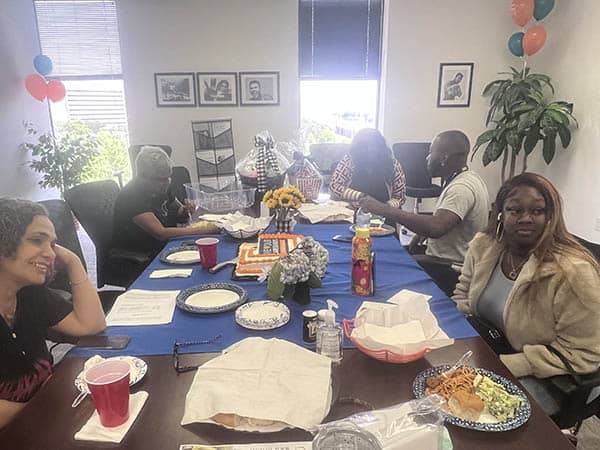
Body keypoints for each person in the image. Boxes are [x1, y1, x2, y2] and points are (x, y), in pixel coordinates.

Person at [453, 173, 600, 415]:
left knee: (468, 412)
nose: (525, 219)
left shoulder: (574, 273)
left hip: (549, 378)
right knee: (437, 386)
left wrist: (507, 364)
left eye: (537, 211)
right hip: (488, 352)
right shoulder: (485, 245)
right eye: (515, 210)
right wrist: (456, 341)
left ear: (551, 216)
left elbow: (584, 353)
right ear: (500, 213)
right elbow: (463, 295)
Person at [0, 199, 106, 428]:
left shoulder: (29, 293)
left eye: (53, 244)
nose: (50, 253)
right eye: (37, 240)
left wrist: (74, 261)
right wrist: (46, 408)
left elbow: (91, 325)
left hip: (47, 414)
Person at [359, 130, 489, 293]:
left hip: (450, 269)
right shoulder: (468, 178)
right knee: (388, 253)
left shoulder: (460, 189)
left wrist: (383, 209)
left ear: (444, 157)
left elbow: (436, 227)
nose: (427, 158)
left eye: (430, 152)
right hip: (444, 258)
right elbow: (445, 220)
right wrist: (420, 235)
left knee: (386, 267)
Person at [113, 146, 218, 258]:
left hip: (165, 246)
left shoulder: (161, 186)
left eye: (168, 178)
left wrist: (186, 210)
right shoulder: (131, 195)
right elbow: (160, 233)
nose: (166, 183)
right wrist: (203, 230)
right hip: (143, 254)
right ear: (142, 176)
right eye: (160, 179)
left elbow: (179, 211)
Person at [329, 128, 406, 209]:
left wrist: (384, 207)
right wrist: (361, 196)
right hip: (352, 210)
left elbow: (400, 198)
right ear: (357, 148)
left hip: (384, 212)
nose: (369, 150)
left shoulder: (393, 164)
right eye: (364, 147)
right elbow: (334, 186)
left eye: (373, 146)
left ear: (381, 147)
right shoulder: (349, 160)